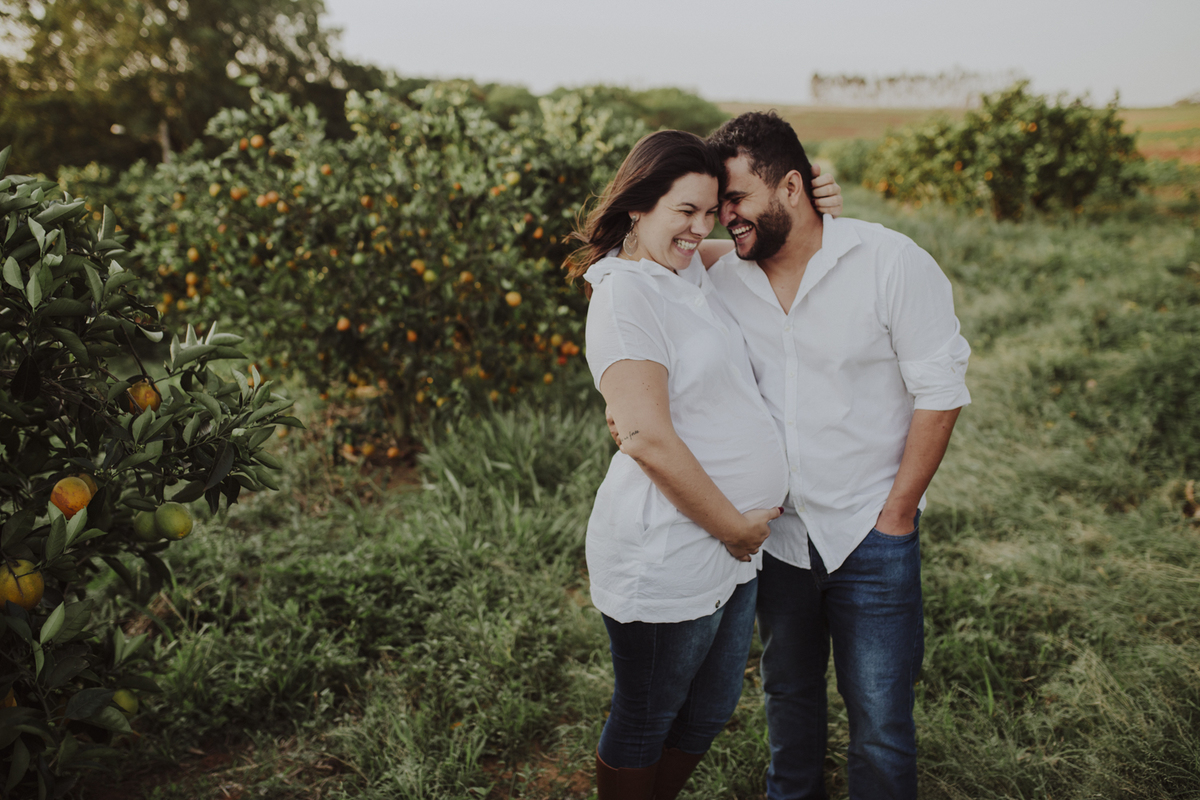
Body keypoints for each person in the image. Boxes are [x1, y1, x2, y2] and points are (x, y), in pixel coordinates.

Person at [697, 111, 972, 800]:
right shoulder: (723, 275)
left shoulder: (889, 261)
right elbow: (635, 258)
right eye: (716, 205)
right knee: (787, 707)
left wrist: (898, 514)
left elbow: (941, 390)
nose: (723, 217)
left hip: (870, 532)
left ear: (792, 186)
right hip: (777, 539)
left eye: (735, 199)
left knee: (880, 722)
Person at [564, 129, 843, 800]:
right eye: (683, 211)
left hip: (730, 546)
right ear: (638, 206)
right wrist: (737, 529)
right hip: (675, 547)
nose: (701, 227)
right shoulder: (628, 296)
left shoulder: (686, 269)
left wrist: (814, 200)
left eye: (711, 210)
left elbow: (771, 245)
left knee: (710, 711)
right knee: (648, 715)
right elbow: (646, 437)